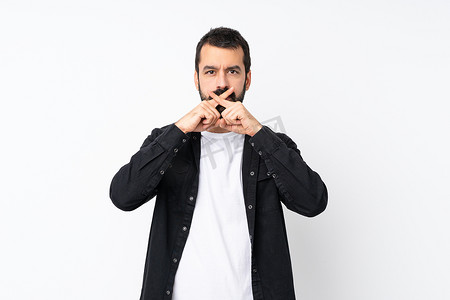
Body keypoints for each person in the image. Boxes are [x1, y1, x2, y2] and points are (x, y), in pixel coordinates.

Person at [109, 27, 328, 300]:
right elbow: (122, 195)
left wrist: (258, 132)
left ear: (247, 79)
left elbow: (313, 202)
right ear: (196, 79)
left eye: (232, 71)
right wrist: (179, 130)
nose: (221, 83)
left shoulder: (274, 144)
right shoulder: (167, 141)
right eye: (211, 72)